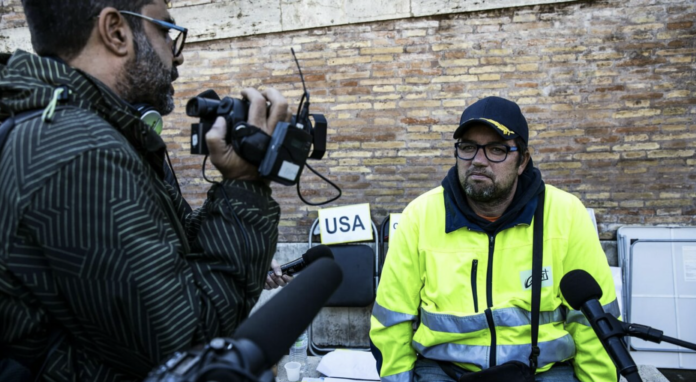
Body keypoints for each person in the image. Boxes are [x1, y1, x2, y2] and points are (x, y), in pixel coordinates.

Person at [0, 0, 288, 380]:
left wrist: (234, 194)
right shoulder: (80, 150)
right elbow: (187, 351)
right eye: (166, 31)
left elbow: (174, 264)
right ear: (116, 32)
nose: (176, 55)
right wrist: (246, 186)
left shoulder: (98, 131)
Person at [369, 96, 619, 382]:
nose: (478, 160)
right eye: (468, 147)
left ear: (522, 160)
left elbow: (595, 322)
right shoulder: (420, 216)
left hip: (542, 371)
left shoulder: (566, 214)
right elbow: (391, 322)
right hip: (445, 371)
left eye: (496, 150)